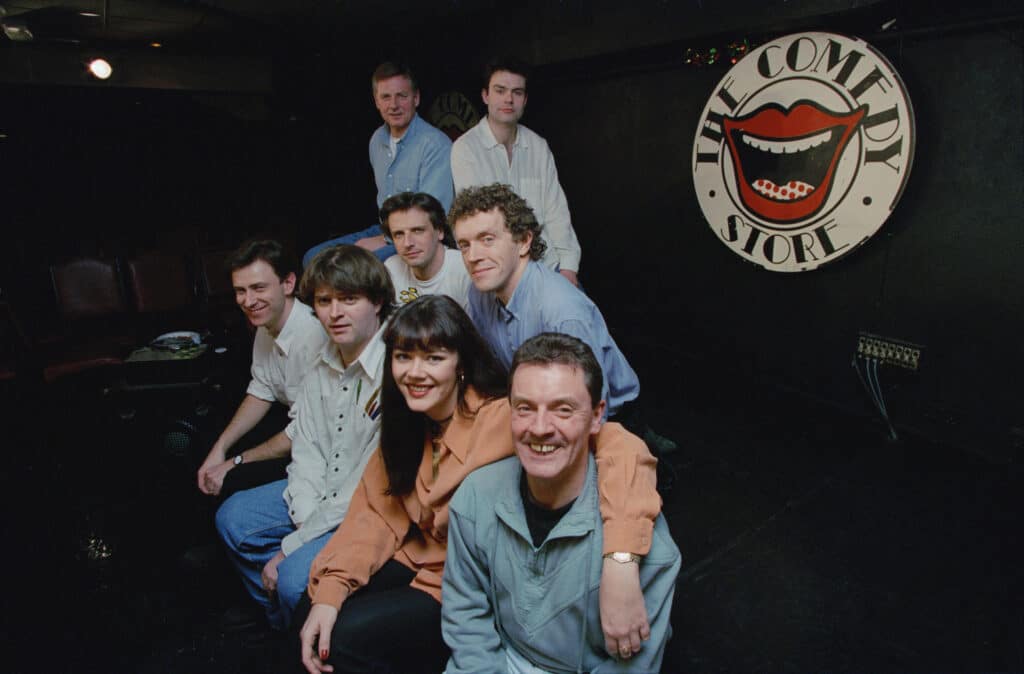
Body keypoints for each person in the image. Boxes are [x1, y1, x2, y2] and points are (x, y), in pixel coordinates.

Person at [293, 295, 661, 674]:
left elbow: (623, 447)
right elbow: (373, 515)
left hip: (470, 580)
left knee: (345, 637)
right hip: (419, 556)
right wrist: (333, 589)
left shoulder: (507, 416)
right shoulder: (405, 424)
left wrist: (620, 560)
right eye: (404, 357)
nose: (415, 372)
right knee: (313, 606)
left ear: (461, 365)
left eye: (434, 358)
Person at [442, 333, 681, 673]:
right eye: (525, 408)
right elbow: (466, 615)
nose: (540, 428)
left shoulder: (654, 552)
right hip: (496, 659)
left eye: (563, 409)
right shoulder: (476, 498)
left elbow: (631, 667)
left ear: (597, 416)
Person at [216, 245, 395, 631]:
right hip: (320, 497)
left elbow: (367, 487)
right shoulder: (323, 360)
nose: (335, 312)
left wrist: (291, 546)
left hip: (367, 508)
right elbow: (307, 451)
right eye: (325, 301)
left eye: (349, 299)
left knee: (297, 576)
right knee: (233, 519)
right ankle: (283, 626)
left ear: (378, 302)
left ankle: (303, 636)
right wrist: (305, 517)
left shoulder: (398, 370)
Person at [451, 183, 678, 456]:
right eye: (464, 245)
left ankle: (651, 445)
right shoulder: (479, 294)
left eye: (487, 239)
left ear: (524, 241)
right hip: (538, 404)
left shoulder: (561, 309)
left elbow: (590, 403)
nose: (473, 257)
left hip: (609, 415)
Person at [197, 239, 327, 500]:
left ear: (288, 284)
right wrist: (220, 449)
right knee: (205, 443)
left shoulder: (314, 334)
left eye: (258, 288)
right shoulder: (265, 325)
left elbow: (305, 430)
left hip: (319, 444)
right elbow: (261, 389)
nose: (248, 301)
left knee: (233, 480)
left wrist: (234, 462)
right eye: (240, 291)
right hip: (294, 424)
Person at [303, 62, 454, 267]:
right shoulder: (377, 140)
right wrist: (381, 236)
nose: (394, 105)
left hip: (417, 238)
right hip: (384, 229)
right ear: (376, 101)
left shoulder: (435, 144)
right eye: (386, 97)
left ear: (416, 98)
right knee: (313, 258)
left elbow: (433, 219)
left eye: (402, 96)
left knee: (351, 268)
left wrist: (385, 240)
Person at [450, 58, 582, 285]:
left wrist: (568, 269)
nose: (508, 99)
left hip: (548, 265)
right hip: (500, 270)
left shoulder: (538, 146)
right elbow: (480, 222)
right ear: (485, 96)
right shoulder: (465, 149)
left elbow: (557, 213)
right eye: (500, 90)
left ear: (525, 100)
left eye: (517, 92)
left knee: (581, 315)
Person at [380, 191, 471, 309]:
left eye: (417, 231)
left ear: (440, 231)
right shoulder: (392, 268)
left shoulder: (465, 270)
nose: (408, 243)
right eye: (399, 234)